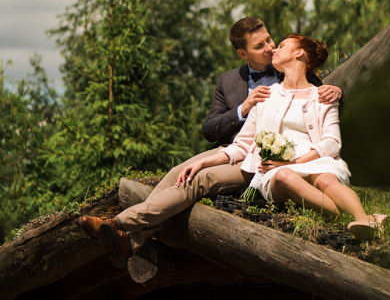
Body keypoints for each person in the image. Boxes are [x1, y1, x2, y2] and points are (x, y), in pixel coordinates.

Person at [77, 17, 342, 262]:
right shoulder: (228, 81)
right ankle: (134, 240)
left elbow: (318, 95)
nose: (271, 48)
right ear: (243, 53)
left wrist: (338, 90)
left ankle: (119, 225)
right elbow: (210, 128)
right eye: (260, 45)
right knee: (178, 172)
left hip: (260, 159)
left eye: (271, 40)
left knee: (198, 179)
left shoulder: (286, 70)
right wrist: (244, 107)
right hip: (233, 148)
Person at [177, 33, 385, 239]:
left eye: (283, 45)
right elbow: (241, 145)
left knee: (326, 181)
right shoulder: (266, 95)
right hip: (276, 170)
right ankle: (357, 218)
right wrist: (204, 163)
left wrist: (296, 161)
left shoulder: (323, 96)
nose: (274, 49)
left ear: (299, 53)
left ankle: (363, 219)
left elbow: (332, 143)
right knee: (286, 177)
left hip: (316, 160)